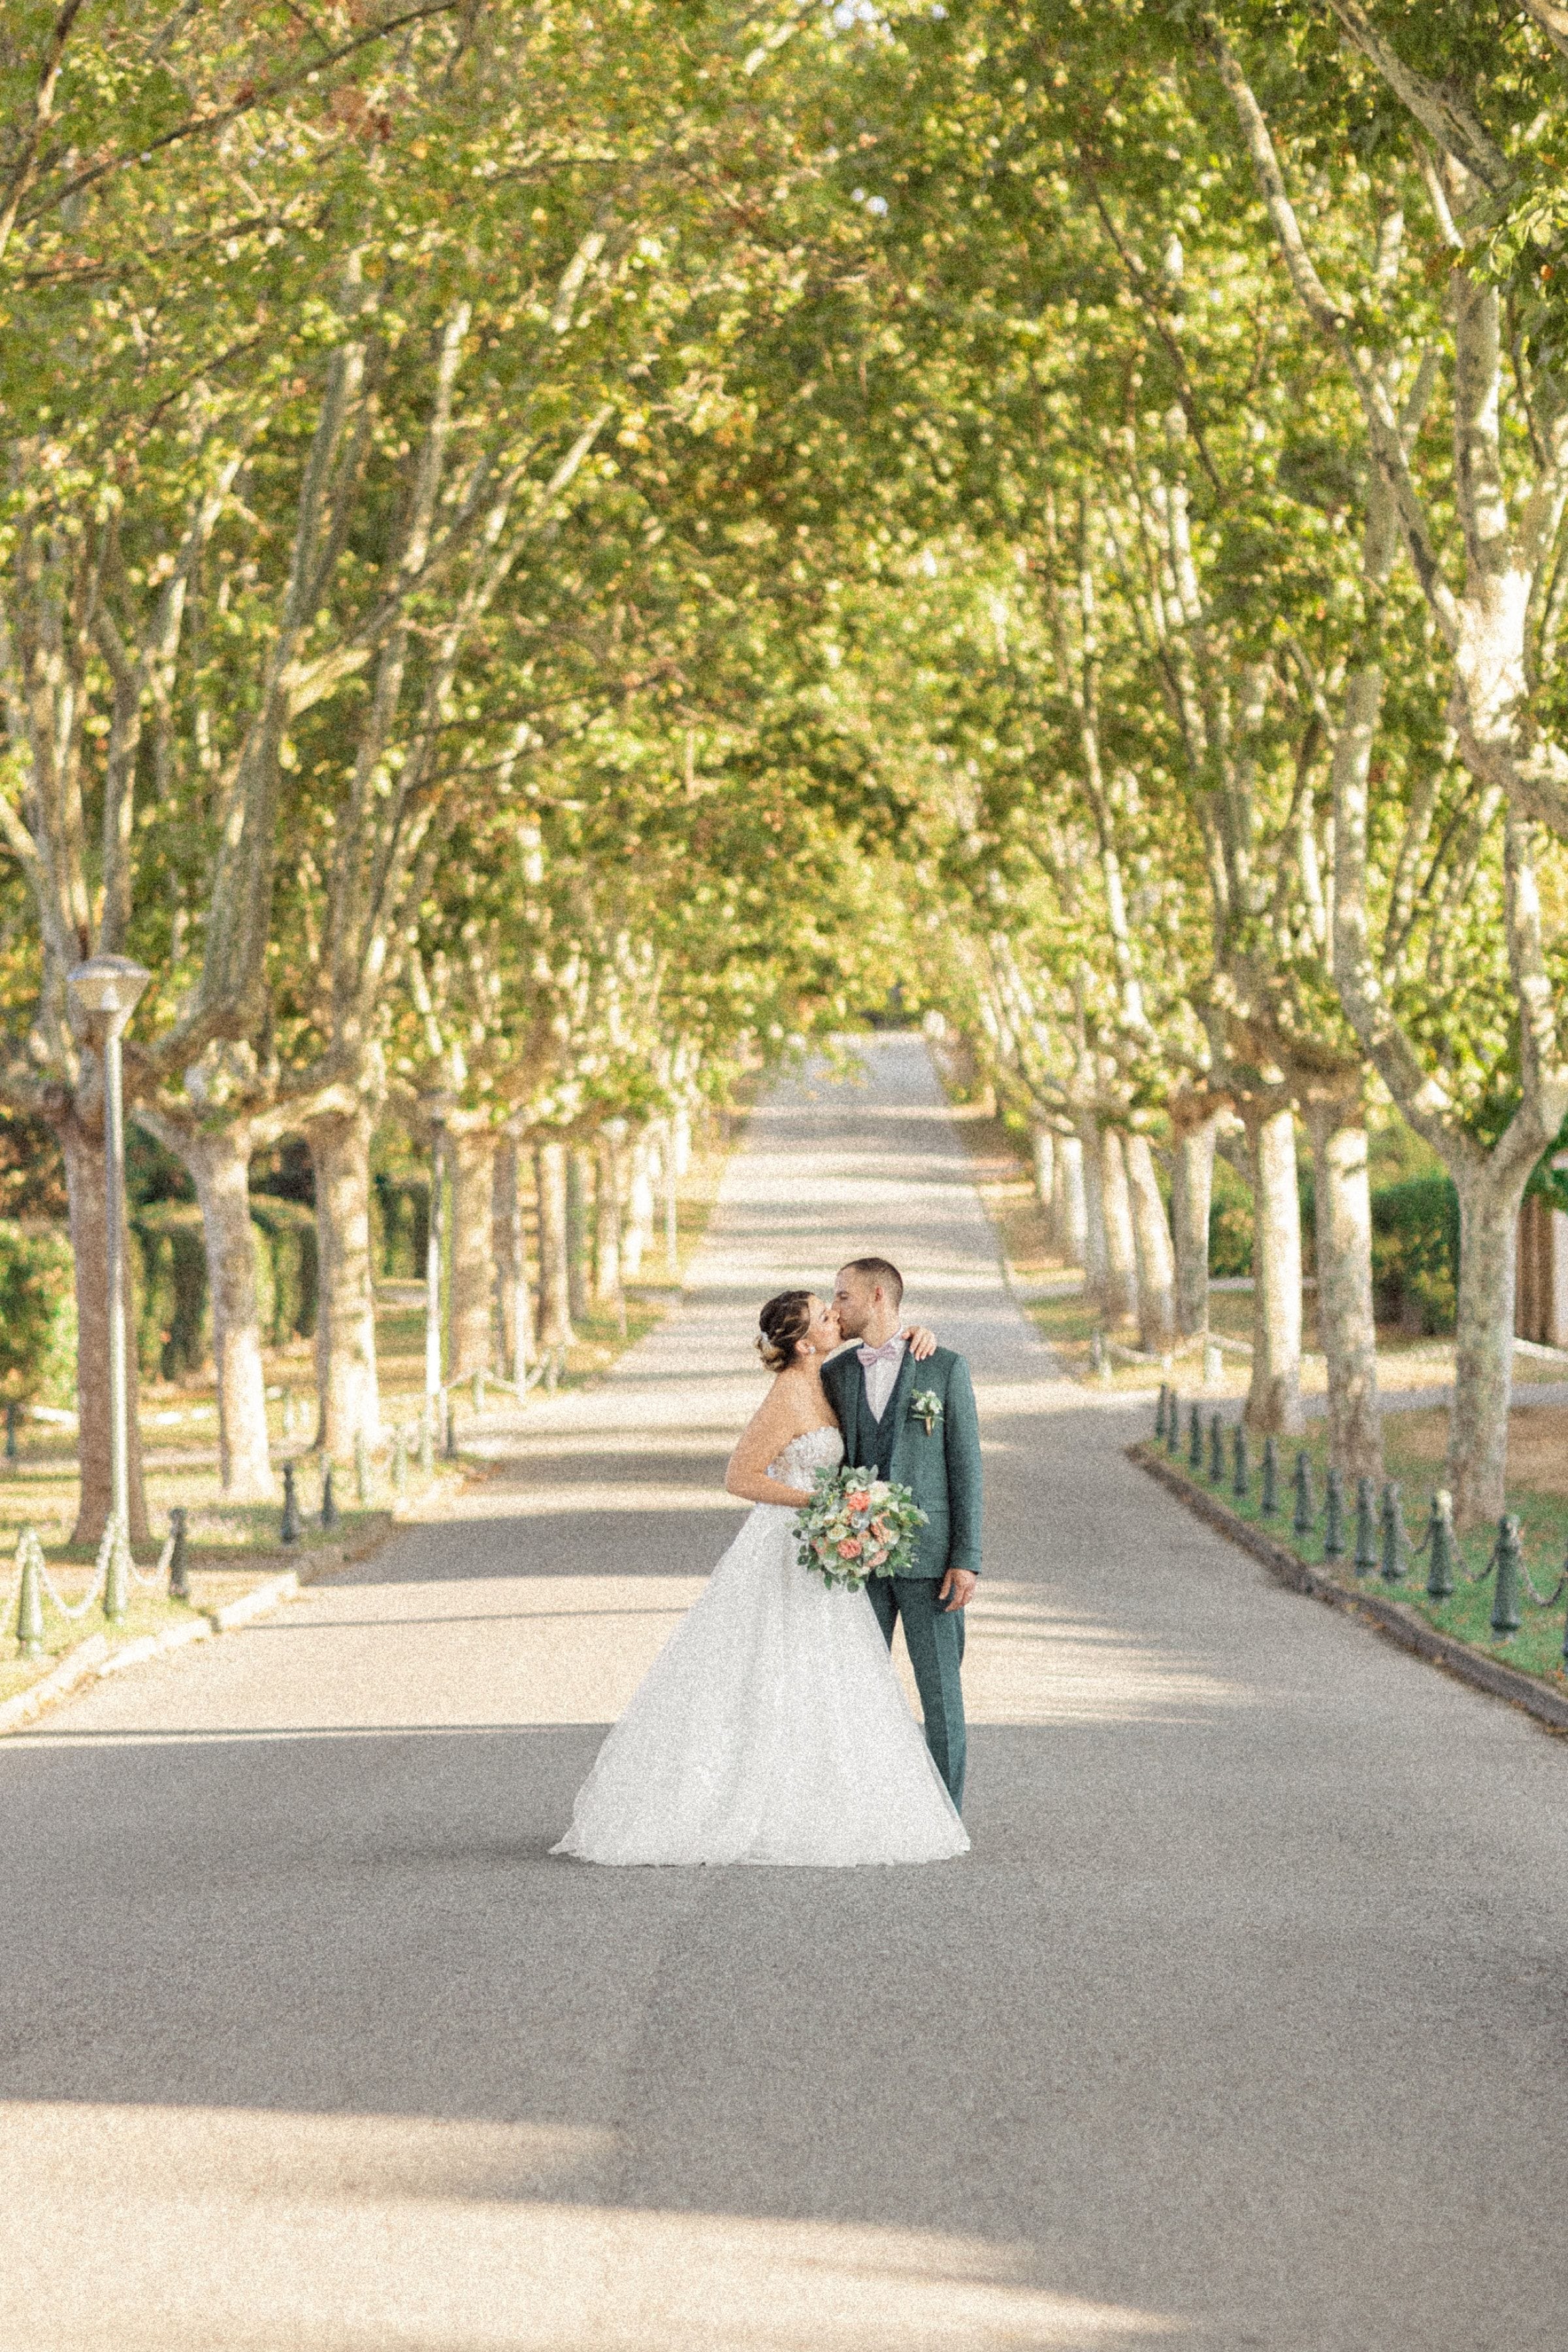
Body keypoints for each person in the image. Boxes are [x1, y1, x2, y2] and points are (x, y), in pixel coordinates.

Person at [551, 1288, 969, 1867]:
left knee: (826, 1678)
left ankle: (821, 1799)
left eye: (835, 1306)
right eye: (825, 1314)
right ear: (804, 1343)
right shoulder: (787, 1395)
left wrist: (916, 1334)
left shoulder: (829, 1378)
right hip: (787, 1545)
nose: (836, 1316)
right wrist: (818, 1504)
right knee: (770, 1669)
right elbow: (740, 1476)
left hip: (824, 1551)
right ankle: (744, 1803)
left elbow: (888, 1371)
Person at [822, 1256, 981, 1811]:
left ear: (877, 1297)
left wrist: (967, 1557)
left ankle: (945, 1815)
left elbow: (966, 1468)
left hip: (931, 1562)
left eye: (843, 1296)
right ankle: (870, 1810)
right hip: (855, 1560)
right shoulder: (835, 1374)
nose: (834, 1307)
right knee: (857, 1690)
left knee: (941, 1697)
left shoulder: (944, 1368)